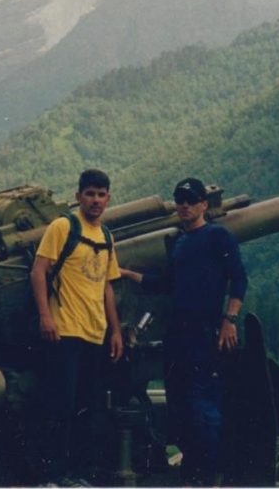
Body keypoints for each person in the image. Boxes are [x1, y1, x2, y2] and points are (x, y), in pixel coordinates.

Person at [120, 176, 247, 487]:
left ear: (204, 204)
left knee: (203, 404)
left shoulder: (218, 237)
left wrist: (229, 320)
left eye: (191, 200)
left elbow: (239, 279)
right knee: (180, 402)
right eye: (180, 200)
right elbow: (166, 284)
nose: (185, 206)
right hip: (178, 333)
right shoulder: (179, 242)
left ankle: (207, 476)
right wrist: (125, 273)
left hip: (205, 331)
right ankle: (192, 472)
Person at [30, 168, 124, 486]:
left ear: (108, 198)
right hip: (65, 330)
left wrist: (116, 331)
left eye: (101, 195)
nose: (95, 200)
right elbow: (39, 271)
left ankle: (78, 474)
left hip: (95, 334)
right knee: (60, 406)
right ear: (78, 196)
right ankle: (52, 476)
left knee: (88, 408)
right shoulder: (63, 226)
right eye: (90, 194)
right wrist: (46, 316)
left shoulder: (106, 237)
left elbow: (107, 287)